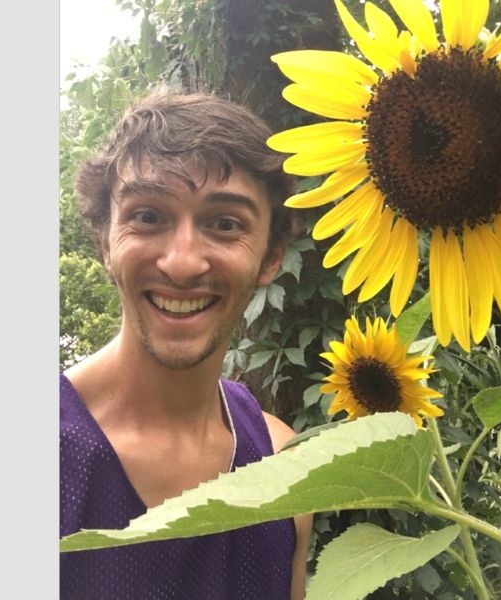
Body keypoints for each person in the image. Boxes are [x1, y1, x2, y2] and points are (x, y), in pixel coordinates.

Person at [60, 88, 312, 599]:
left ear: (270, 257)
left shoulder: (286, 467)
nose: (181, 263)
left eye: (224, 224)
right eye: (148, 216)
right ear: (106, 242)